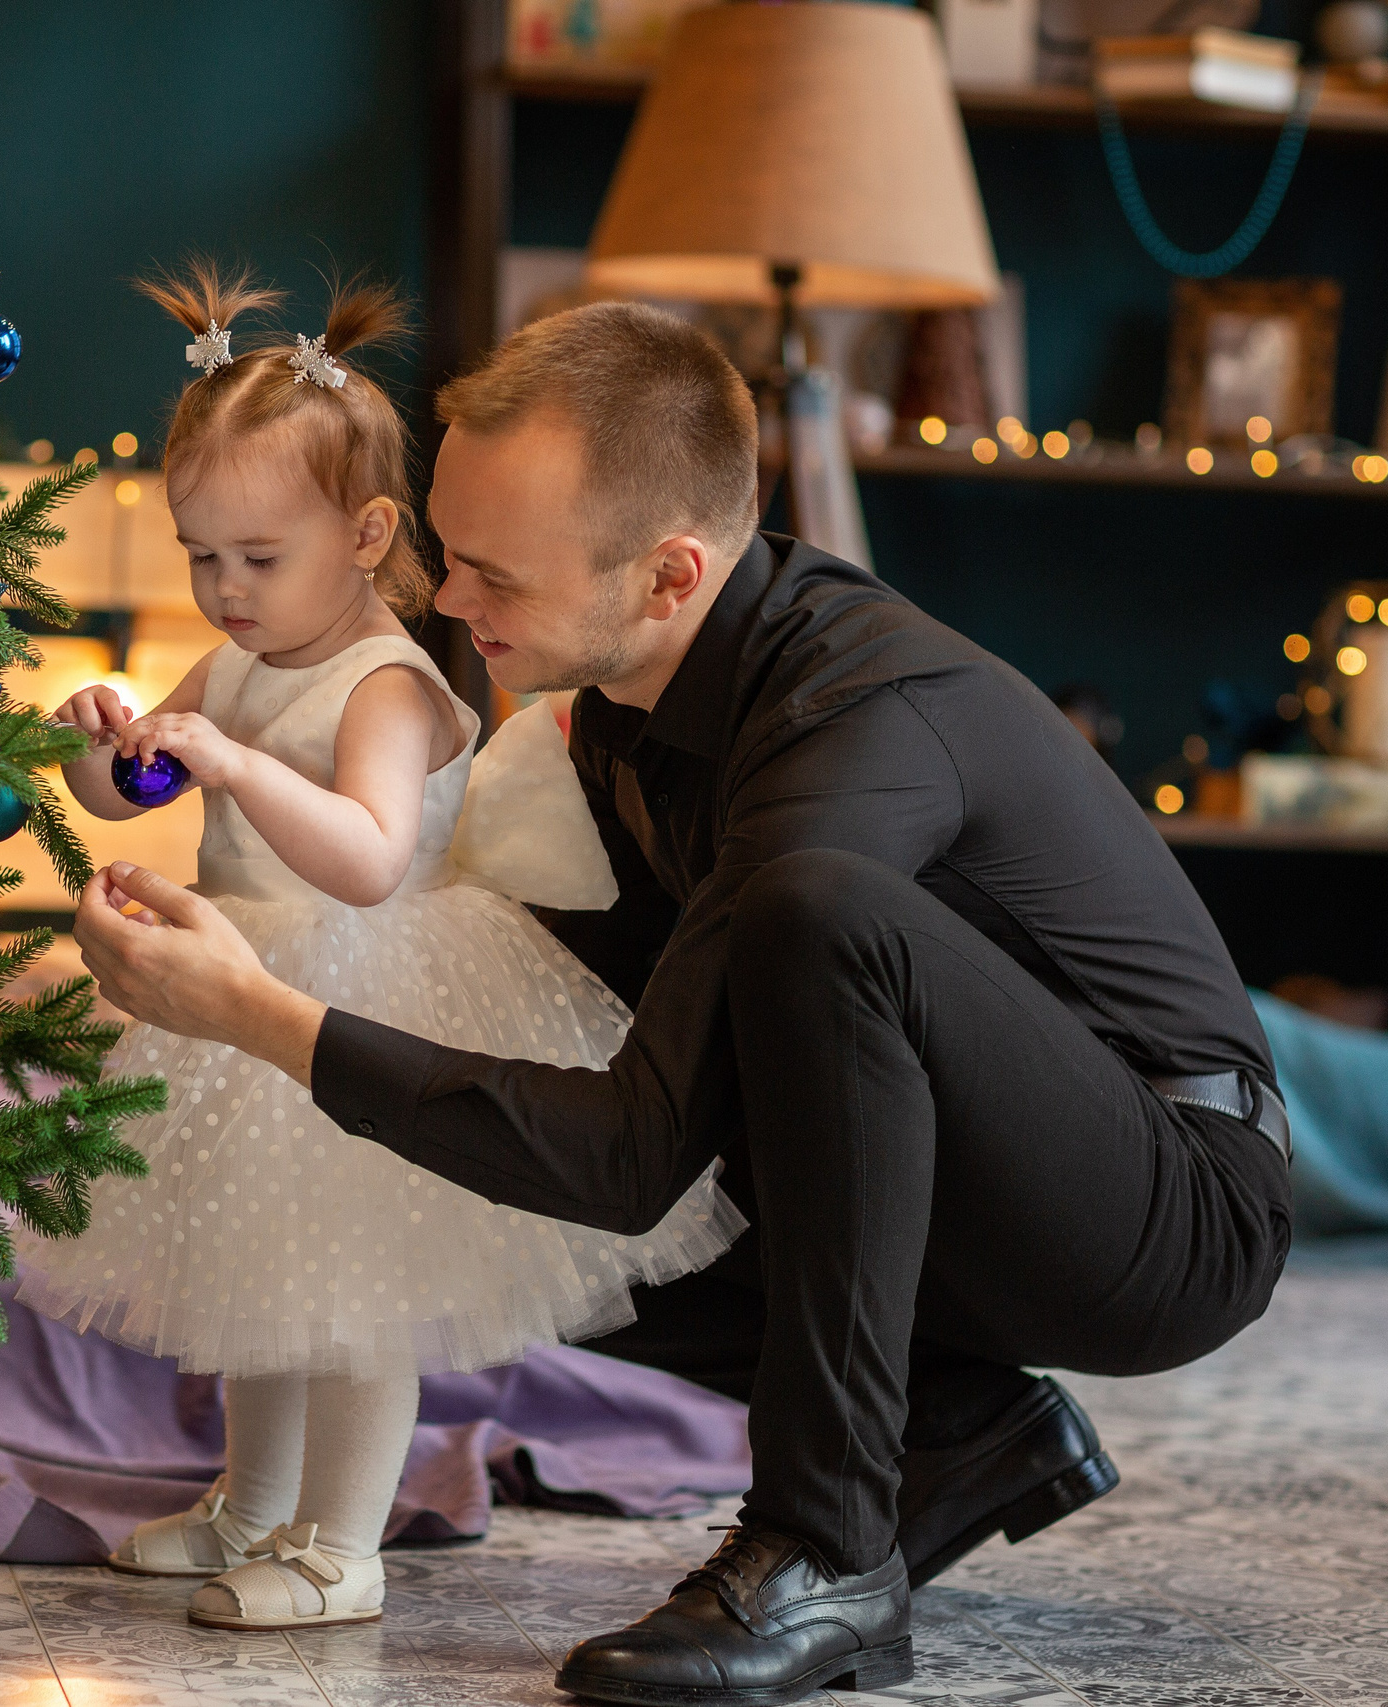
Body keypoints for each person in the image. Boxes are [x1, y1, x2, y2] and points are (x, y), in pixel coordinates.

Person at [70, 301, 1293, 1705]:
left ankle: (826, 1546)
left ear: (668, 575)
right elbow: (593, 1123)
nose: (448, 604)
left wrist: (260, 1018)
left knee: (816, 911)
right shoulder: (619, 714)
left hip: (1168, 1208)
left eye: (492, 576)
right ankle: (949, 1432)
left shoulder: (851, 723)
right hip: (963, 1180)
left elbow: (632, 1158)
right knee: (491, 1161)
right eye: (448, 553)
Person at [17, 269, 745, 1633]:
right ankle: (251, 1505)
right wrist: (105, 738)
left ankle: (339, 1544)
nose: (224, 592)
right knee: (256, 1276)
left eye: (257, 557)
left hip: (371, 1001)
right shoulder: (232, 662)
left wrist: (229, 761)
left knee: (352, 1296)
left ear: (363, 535)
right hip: (243, 988)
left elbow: (360, 855)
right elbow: (124, 795)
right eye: (201, 556)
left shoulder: (388, 683)